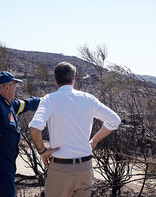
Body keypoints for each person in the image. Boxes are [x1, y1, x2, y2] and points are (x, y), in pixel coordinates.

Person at [28, 62, 121, 197]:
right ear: (73, 78)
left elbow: (34, 128)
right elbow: (115, 120)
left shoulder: (49, 100)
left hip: (60, 168)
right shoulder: (88, 99)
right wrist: (94, 140)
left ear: (55, 80)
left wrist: (42, 151)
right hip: (85, 167)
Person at [0, 71, 40, 197]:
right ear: (7, 87)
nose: (15, 90)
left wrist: (48, 100)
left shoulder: (7, 105)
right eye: (14, 86)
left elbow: (27, 104)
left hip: (5, 169)